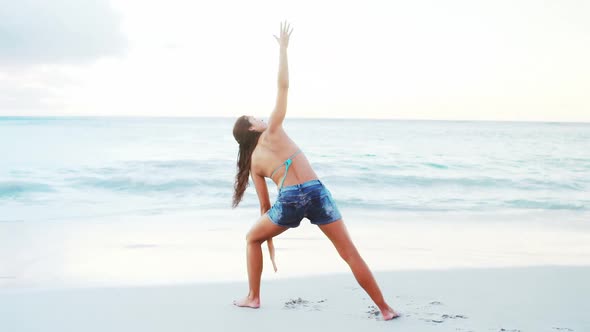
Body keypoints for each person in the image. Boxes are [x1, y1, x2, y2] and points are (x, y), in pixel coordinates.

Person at [231, 21, 399, 321]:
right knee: (349, 253)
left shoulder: (254, 162)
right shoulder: (274, 131)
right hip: (316, 192)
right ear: (252, 128)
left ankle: (254, 297)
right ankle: (385, 309)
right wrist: (283, 50)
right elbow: (283, 87)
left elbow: (265, 207)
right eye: (254, 117)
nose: (260, 116)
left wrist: (268, 240)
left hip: (290, 202)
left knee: (251, 238)